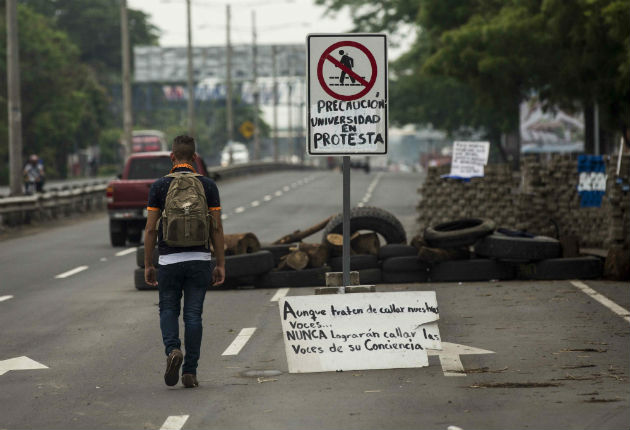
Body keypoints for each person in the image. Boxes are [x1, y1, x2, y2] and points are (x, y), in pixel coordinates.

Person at [144, 135, 225, 389]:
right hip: (199, 260)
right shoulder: (208, 186)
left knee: (168, 309)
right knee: (193, 315)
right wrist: (220, 263)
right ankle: (190, 372)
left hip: (168, 260)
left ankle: (172, 350)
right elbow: (217, 229)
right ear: (194, 158)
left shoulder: (159, 186)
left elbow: (150, 229)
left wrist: (149, 263)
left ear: (172, 157)